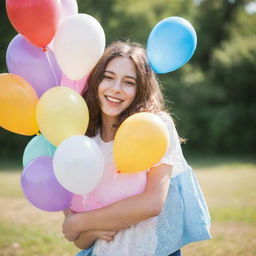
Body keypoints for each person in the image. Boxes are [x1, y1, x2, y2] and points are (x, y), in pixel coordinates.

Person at [62, 41, 211, 256]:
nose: (116, 88)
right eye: (109, 77)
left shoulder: (154, 127)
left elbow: (152, 203)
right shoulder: (85, 140)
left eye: (128, 82)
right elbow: (80, 241)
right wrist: (84, 226)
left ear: (140, 89)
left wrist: (79, 222)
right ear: (96, 81)